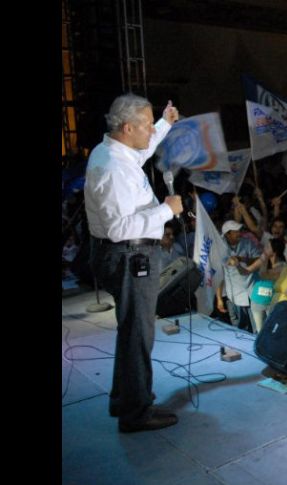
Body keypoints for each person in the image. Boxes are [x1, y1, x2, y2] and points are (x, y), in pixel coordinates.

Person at [85, 94, 182, 433]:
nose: (148, 133)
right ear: (127, 128)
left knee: (131, 333)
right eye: (146, 124)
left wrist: (164, 124)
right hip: (129, 256)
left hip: (128, 255)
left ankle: (124, 400)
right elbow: (118, 229)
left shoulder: (118, 151)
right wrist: (167, 210)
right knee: (138, 335)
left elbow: (143, 146)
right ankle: (136, 412)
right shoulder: (112, 169)